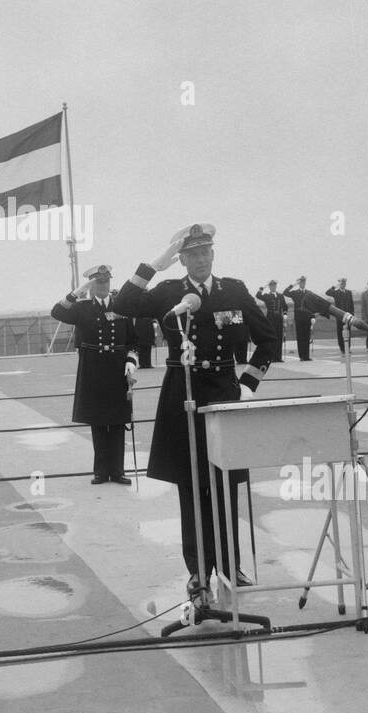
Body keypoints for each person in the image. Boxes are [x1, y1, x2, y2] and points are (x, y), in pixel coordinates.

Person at [113, 223, 279, 593]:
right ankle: (198, 572)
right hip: (182, 394)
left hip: (224, 393)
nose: (201, 260)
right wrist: (155, 264)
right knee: (190, 485)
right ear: (182, 260)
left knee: (225, 483)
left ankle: (230, 566)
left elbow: (268, 340)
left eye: (205, 252)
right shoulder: (169, 292)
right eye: (192, 254)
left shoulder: (233, 290)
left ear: (213, 254)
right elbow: (122, 305)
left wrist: (248, 384)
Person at [51, 264, 138, 485]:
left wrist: (130, 361)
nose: (103, 285)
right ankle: (101, 471)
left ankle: (117, 471)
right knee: (98, 421)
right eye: (98, 282)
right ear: (91, 285)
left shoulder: (121, 306)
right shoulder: (82, 308)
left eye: (106, 281)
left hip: (117, 369)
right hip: (93, 369)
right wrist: (76, 293)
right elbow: (57, 312)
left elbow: (133, 341)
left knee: (117, 421)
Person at [282, 277, 316, 361]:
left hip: (307, 317)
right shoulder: (295, 293)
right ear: (299, 283)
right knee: (300, 337)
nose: (302, 283)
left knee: (307, 337)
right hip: (299, 317)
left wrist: (313, 317)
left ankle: (306, 356)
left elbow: (312, 306)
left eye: (303, 282)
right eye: (301, 282)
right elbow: (285, 292)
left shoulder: (309, 293)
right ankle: (301, 356)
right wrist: (293, 284)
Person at [255, 282, 286, 362]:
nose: (273, 287)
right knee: (272, 337)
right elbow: (258, 296)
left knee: (279, 337)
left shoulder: (280, 296)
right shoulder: (267, 296)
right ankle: (272, 357)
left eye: (274, 285)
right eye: (272, 286)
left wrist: (285, 314)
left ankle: (278, 357)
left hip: (279, 318)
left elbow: (285, 306)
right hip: (271, 318)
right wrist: (262, 289)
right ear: (269, 287)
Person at [325, 278, 355, 354]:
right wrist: (335, 286)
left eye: (344, 283)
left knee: (348, 332)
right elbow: (327, 292)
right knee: (340, 332)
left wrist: (352, 315)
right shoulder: (336, 292)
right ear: (340, 284)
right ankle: (342, 348)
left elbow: (351, 304)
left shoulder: (349, 292)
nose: (343, 284)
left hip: (348, 315)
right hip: (339, 315)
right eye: (341, 283)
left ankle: (348, 348)